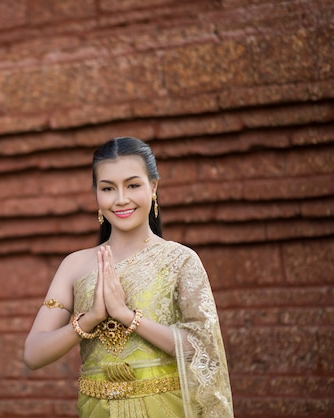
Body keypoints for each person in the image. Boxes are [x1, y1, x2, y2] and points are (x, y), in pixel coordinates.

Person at [24, 137, 234, 417]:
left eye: (133, 185)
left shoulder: (180, 260)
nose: (121, 199)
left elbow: (202, 349)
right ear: (96, 194)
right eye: (108, 188)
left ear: (153, 187)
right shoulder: (74, 265)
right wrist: (91, 319)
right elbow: (33, 354)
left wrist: (126, 316)